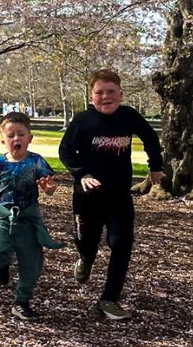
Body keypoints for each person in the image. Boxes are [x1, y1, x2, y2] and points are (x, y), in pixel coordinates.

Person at [58, 68, 164, 322]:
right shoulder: (83, 120)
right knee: (86, 240)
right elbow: (65, 151)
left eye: (111, 92)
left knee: (121, 244)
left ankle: (109, 299)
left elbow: (150, 138)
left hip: (119, 195)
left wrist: (155, 167)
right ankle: (86, 258)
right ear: (91, 96)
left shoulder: (129, 116)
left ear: (120, 94)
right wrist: (82, 174)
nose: (106, 97)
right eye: (100, 92)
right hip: (87, 196)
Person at [0, 111, 62, 321]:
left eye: (21, 134)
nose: (16, 139)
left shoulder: (37, 161)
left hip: (28, 219)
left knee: (32, 264)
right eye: (11, 135)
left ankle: (21, 302)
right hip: (3, 217)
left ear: (30, 138)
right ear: (4, 141)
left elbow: (48, 185)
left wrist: (48, 189)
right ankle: (2, 265)